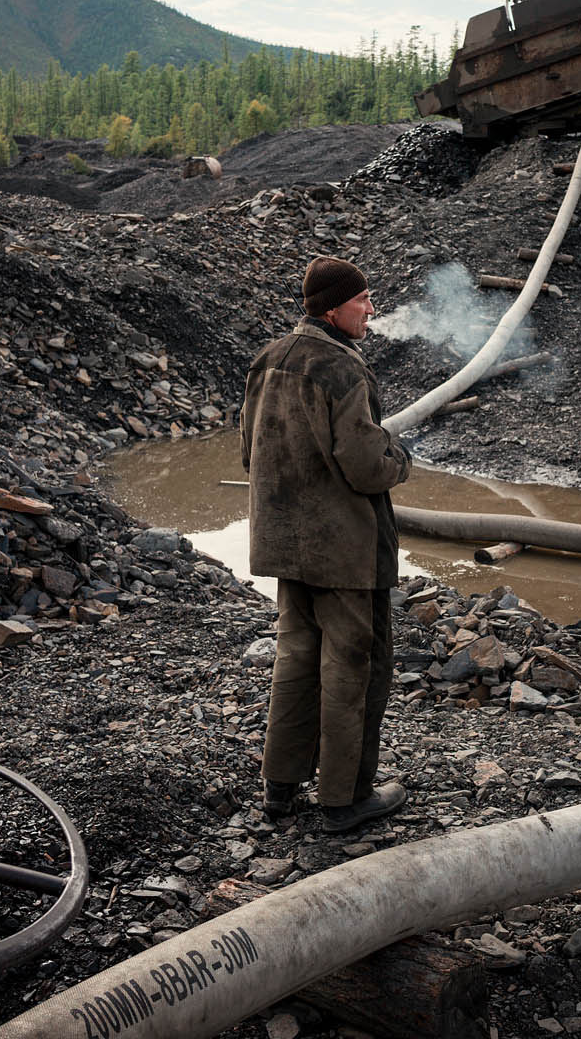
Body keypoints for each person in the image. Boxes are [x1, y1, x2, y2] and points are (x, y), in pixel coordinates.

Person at [240, 255, 412, 833]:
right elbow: (366, 467)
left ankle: (279, 788)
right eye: (363, 299)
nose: (370, 309)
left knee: (295, 659)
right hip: (343, 553)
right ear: (335, 308)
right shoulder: (342, 370)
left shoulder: (268, 358)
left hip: (285, 545)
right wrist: (399, 460)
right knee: (353, 667)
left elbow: (248, 453)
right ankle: (345, 798)